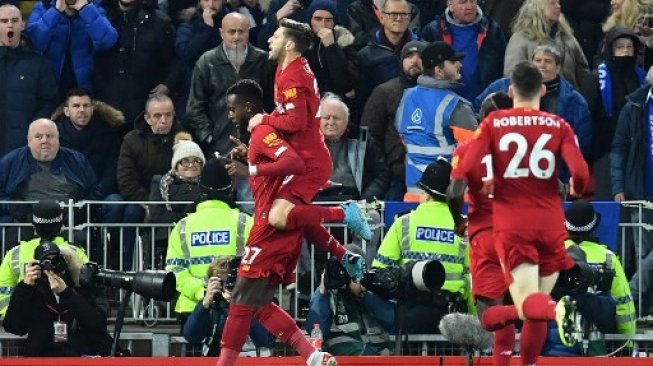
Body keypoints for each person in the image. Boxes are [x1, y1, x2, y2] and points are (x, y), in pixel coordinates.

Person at [219, 78, 366, 366]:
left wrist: (249, 166)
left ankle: (224, 365)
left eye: (232, 109)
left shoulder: (262, 132)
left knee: (240, 301)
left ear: (248, 107)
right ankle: (311, 355)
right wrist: (339, 251)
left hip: (268, 232)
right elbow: (297, 208)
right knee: (258, 305)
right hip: (275, 229)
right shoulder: (261, 136)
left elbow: (292, 162)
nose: (230, 115)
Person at [459, 61, 590, 365]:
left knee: (497, 315)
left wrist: (472, 201)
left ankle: (556, 312)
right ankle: (531, 358)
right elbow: (578, 176)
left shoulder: (489, 131)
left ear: (510, 89)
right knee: (535, 303)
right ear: (543, 89)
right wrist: (576, 190)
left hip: (502, 229)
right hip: (548, 225)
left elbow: (463, 176)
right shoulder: (558, 124)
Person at [247, 19, 373, 241]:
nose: (269, 40)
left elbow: (295, 123)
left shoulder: (294, 77)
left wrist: (263, 118)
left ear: (288, 45)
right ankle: (339, 247)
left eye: (275, 37)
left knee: (277, 218)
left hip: (309, 163)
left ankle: (344, 213)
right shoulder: (287, 68)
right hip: (303, 159)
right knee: (281, 217)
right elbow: (285, 112)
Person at [447, 91, 514, 366]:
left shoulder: (466, 149)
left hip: (486, 234)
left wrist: (457, 220)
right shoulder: (526, 148)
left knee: (490, 317)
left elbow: (454, 194)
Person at [373, 158, 473, 334]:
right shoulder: (464, 227)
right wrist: (474, 320)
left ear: (426, 194)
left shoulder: (404, 223)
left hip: (411, 316)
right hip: (453, 320)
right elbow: (473, 280)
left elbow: (379, 272)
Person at [165, 157, 252, 327]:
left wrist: (203, 292)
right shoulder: (246, 222)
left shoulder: (182, 226)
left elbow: (175, 271)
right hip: (235, 307)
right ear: (230, 188)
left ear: (201, 188)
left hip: (191, 310)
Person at [541, 199, 636, 356]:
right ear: (594, 228)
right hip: (596, 346)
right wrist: (628, 342)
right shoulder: (608, 258)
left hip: (554, 346)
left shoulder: (549, 256)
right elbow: (623, 304)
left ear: (565, 225)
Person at [394, 41, 477, 200]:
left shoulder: (406, 98)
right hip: (449, 199)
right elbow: (472, 153)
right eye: (453, 62)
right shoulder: (456, 106)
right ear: (439, 71)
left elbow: (403, 138)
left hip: (414, 196)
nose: (459, 64)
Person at [3, 239, 114, 356]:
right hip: (42, 358)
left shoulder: (83, 287)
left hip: (79, 356)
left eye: (57, 261)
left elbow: (98, 323)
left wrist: (68, 291)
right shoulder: (33, 290)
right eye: (46, 263)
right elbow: (14, 327)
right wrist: (25, 287)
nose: (52, 268)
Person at [111, 94, 181, 269]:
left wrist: (163, 203)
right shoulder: (131, 140)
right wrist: (150, 202)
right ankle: (124, 268)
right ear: (147, 118)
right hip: (141, 199)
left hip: (175, 199)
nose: (164, 120)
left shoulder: (184, 138)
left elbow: (190, 173)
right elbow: (126, 180)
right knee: (131, 213)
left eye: (168, 115)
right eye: (158, 116)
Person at [93, 0, 179, 127]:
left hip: (144, 111)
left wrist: (167, 85)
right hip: (105, 109)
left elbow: (175, 61)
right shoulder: (100, 18)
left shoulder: (159, 22)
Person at [610, 66, 653, 317]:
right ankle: (640, 312)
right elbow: (618, 148)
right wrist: (617, 186)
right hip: (640, 194)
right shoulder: (634, 107)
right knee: (643, 256)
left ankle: (625, 300)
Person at [0, 119, 100, 225]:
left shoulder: (78, 160)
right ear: (29, 141)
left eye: (50, 136)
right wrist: (9, 205)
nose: (44, 141)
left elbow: (95, 191)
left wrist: (81, 209)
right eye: (38, 136)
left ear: (58, 139)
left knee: (82, 239)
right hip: (25, 223)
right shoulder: (10, 161)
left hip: (69, 224)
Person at [361, 40, 426, 200]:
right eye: (409, 56)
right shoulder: (384, 92)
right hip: (394, 178)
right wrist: (383, 167)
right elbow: (369, 135)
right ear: (401, 60)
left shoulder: (436, 95)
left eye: (420, 56)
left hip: (429, 176)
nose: (415, 61)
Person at [0, 200, 88, 318]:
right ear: (61, 226)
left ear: (34, 226)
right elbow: (88, 290)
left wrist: (14, 316)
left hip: (28, 321)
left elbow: (3, 291)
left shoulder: (15, 253)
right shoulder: (75, 252)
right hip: (69, 319)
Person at [306, 244, 395, 356]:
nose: (346, 274)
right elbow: (315, 330)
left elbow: (391, 319)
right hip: (348, 360)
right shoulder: (327, 293)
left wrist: (364, 294)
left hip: (382, 359)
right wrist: (323, 290)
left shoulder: (371, 286)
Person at [592, 27, 647, 200]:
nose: (625, 51)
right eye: (620, 47)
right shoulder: (596, 78)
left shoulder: (642, 77)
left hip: (637, 151)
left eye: (629, 47)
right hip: (604, 150)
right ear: (610, 49)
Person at [182, 256, 274, 356]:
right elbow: (191, 336)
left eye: (234, 281)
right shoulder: (212, 306)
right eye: (225, 281)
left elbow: (264, 340)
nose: (230, 285)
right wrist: (204, 304)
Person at [0, 4, 59, 156]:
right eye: (4, 21)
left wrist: (33, 130)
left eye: (14, 20)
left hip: (22, 148)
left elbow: (49, 101)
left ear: (23, 25)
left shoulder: (39, 63)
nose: (9, 25)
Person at [26, 0, 118, 95]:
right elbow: (34, 42)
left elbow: (108, 41)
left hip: (83, 88)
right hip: (50, 85)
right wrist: (55, 11)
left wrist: (86, 10)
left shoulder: (93, 7)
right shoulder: (44, 6)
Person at [421, 0, 506, 102]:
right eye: (463, 2)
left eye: (472, 1)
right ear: (450, 5)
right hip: (443, 103)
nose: (469, 6)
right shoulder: (432, 31)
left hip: (486, 104)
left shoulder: (493, 30)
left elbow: (502, 69)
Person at [51, 88, 125, 201]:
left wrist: (94, 196)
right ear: (66, 111)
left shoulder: (108, 134)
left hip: (101, 195)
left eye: (86, 106)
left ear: (92, 109)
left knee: (115, 201)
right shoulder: (53, 136)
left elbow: (112, 172)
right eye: (76, 106)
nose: (82, 110)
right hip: (65, 196)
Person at [354, 0, 419, 119]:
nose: (399, 18)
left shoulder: (422, 51)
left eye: (404, 14)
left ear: (409, 18)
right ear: (382, 18)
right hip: (378, 120)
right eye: (393, 14)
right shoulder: (366, 55)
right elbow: (361, 100)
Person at [504, 0, 589, 89]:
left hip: (569, 99)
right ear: (538, 7)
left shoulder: (567, 37)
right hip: (534, 99)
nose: (558, 6)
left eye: (558, 3)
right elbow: (512, 75)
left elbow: (583, 72)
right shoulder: (521, 39)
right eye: (552, 3)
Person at [174, 0, 233, 121]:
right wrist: (207, 28)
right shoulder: (188, 23)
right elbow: (187, 56)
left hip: (225, 94)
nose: (211, 5)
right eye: (206, 0)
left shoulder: (234, 23)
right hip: (193, 93)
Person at [303, 0, 358, 106]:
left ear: (334, 22)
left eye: (328, 20)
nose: (323, 24)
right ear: (310, 21)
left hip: (336, 104)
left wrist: (331, 47)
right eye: (318, 19)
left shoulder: (345, 44)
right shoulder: (301, 45)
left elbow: (346, 83)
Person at [148, 132, 205, 225]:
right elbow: (157, 215)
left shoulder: (208, 184)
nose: (191, 165)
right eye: (185, 161)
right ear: (176, 164)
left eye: (196, 161)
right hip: (168, 234)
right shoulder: (160, 182)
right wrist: (186, 220)